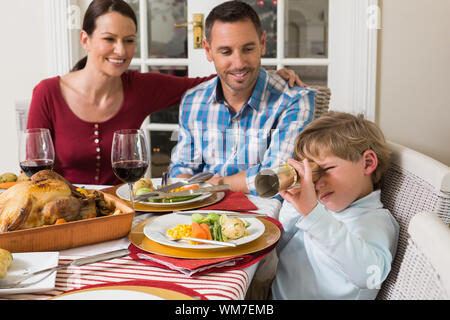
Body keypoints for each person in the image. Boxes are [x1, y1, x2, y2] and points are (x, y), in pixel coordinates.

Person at [27, 0, 303, 186]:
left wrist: (267, 74)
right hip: (64, 211)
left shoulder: (140, 87)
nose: (121, 51)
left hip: (123, 212)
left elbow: (214, 77)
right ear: (85, 40)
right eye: (109, 39)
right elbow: (35, 173)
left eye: (129, 40)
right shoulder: (48, 93)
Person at [169, 1, 315, 195]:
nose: (238, 64)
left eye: (247, 49)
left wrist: (217, 182)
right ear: (208, 50)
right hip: (202, 214)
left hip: (265, 219)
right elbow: (181, 169)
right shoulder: (193, 101)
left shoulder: (294, 100)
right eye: (226, 51)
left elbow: (276, 178)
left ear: (262, 44)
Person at [270, 111, 399, 300]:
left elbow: (369, 276)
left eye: (328, 169)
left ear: (368, 163)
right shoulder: (322, 209)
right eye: (313, 173)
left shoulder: (375, 222)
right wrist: (296, 199)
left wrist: (312, 213)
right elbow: (280, 247)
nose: (317, 182)